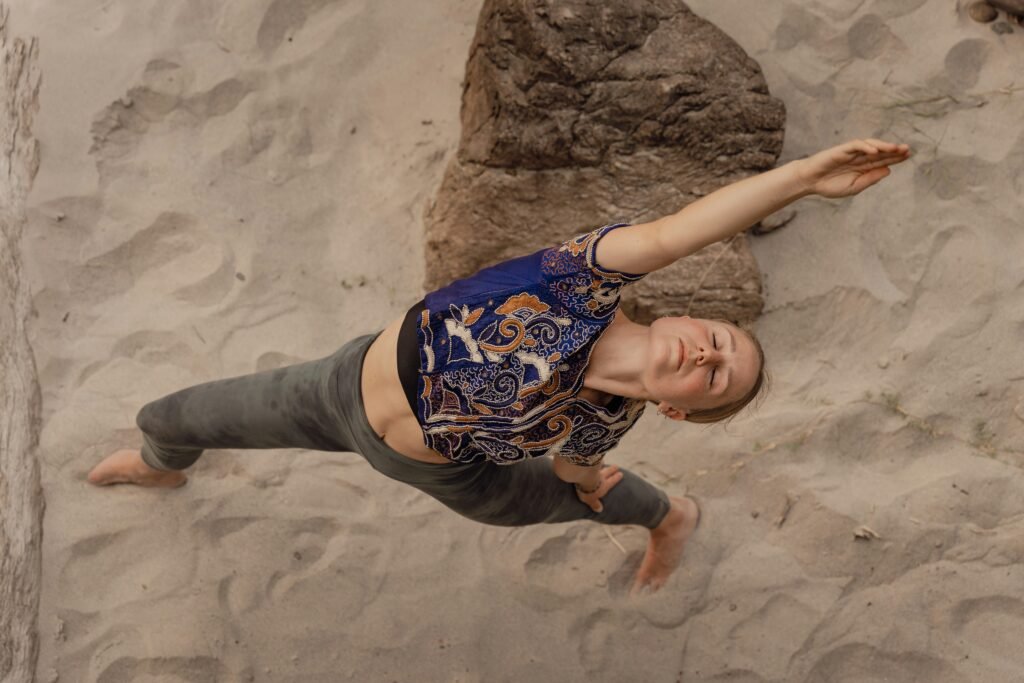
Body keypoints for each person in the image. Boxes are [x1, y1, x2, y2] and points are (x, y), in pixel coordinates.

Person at [88, 138, 911, 593]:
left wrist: (590, 482)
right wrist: (801, 178)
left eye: (714, 378)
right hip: (339, 394)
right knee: (171, 417)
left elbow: (579, 463)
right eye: (719, 340)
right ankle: (163, 467)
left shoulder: (607, 418)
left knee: (577, 497)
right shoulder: (581, 280)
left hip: (454, 473)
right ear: (691, 317)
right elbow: (681, 230)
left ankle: (669, 519)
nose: (706, 355)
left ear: (680, 408)